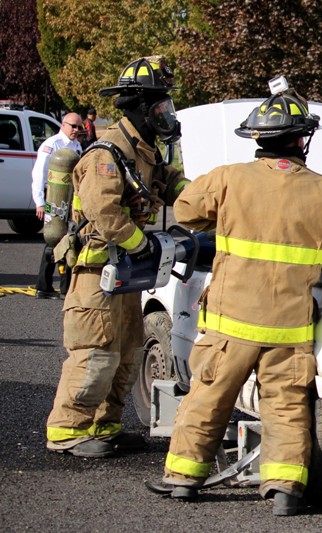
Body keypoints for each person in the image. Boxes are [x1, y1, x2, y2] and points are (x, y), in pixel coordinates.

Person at [146, 79, 322, 516]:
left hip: (230, 323)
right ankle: (285, 492)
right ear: (301, 140)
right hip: (290, 328)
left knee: (209, 398)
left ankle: (183, 480)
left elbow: (185, 212)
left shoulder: (228, 179)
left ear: (256, 139)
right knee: (286, 408)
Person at [45, 57, 190, 458]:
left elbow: (173, 186)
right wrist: (140, 244)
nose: (166, 114)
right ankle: (67, 430)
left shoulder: (144, 151)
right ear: (140, 107)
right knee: (94, 351)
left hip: (124, 272)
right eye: (161, 106)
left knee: (125, 350)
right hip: (96, 271)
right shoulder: (107, 154)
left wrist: (214, 197)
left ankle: (104, 425)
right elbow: (104, 212)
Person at [31, 112, 83, 299]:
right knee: (53, 239)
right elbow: (39, 175)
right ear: (63, 125)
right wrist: (40, 202)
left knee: (69, 239)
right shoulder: (51, 145)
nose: (76, 130)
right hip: (53, 197)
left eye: (79, 127)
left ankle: (66, 288)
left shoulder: (77, 146)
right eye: (73, 126)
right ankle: (43, 287)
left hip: (70, 199)